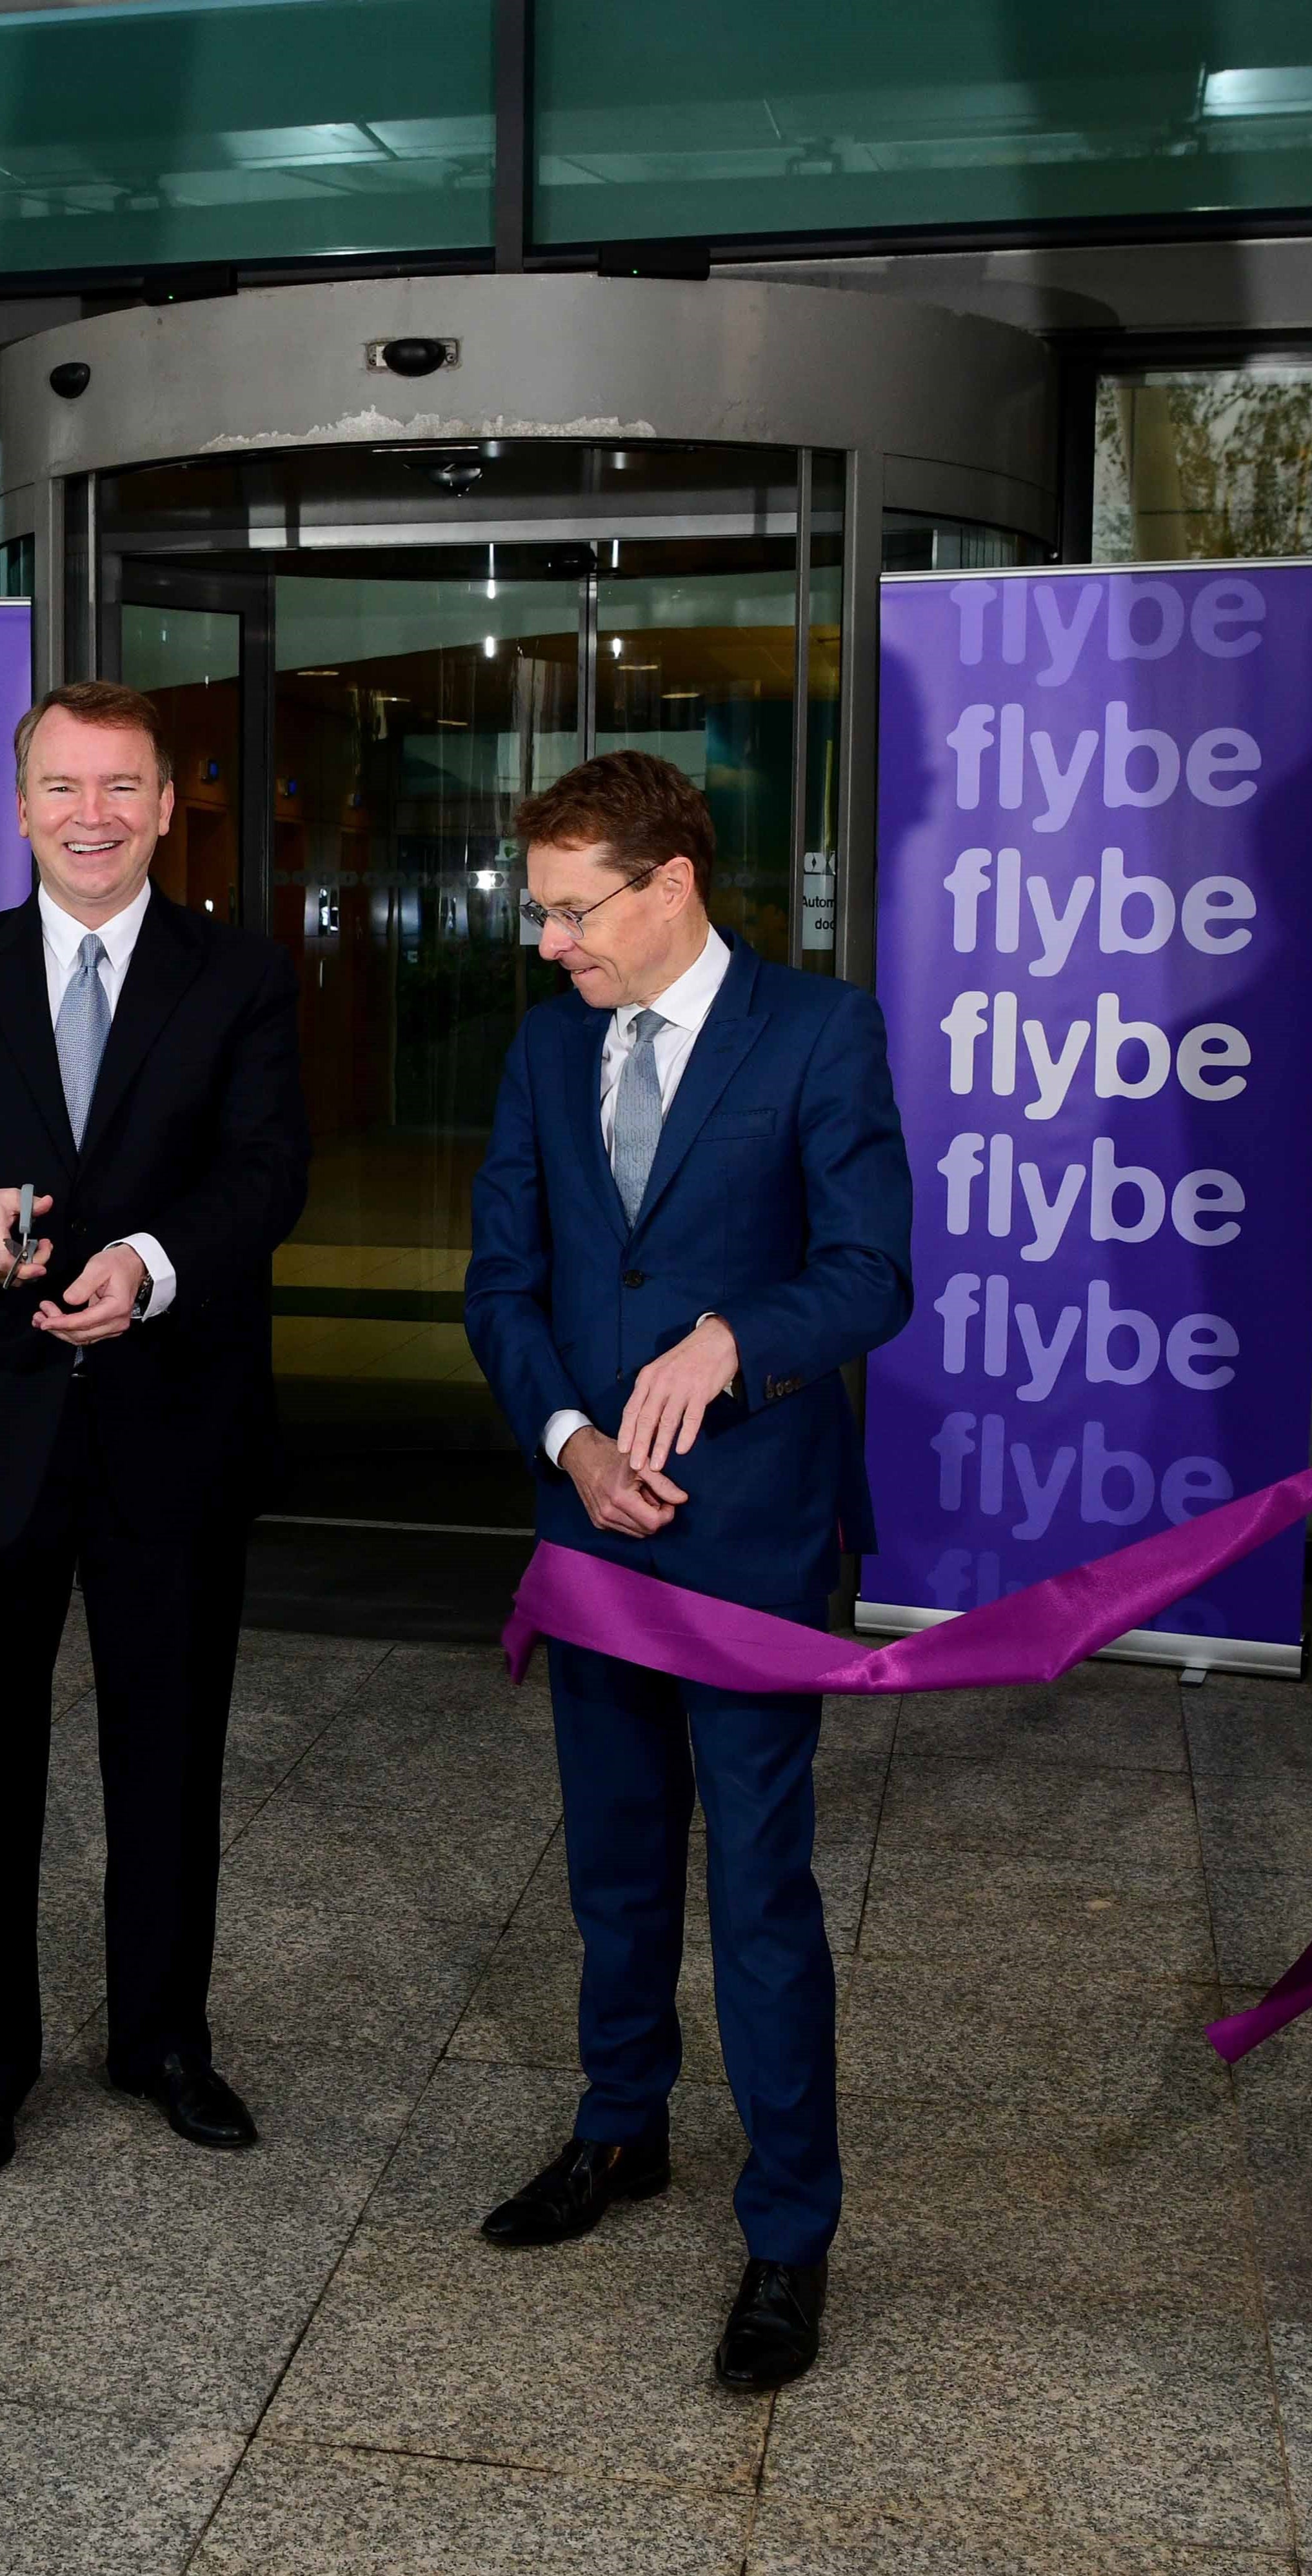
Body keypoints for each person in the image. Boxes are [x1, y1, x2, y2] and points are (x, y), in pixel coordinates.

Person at [461, 749, 911, 2389]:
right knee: (616, 1864)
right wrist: (573, 1438)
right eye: (540, 911)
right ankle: (620, 2129)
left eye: (575, 912)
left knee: (761, 1896)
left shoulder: (818, 1032)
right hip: (594, 1528)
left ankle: (790, 2234)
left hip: (753, 1543)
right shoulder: (540, 1050)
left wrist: (734, 1341)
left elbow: (872, 1275)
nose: (549, 942)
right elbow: (502, 1282)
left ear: (669, 887)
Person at [0, 679, 310, 2179]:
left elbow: (265, 1175)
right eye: (64, 786)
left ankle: (164, 2038)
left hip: (175, 1425)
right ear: (19, 802)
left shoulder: (239, 978)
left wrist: (151, 1266)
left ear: (168, 807)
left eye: (123, 788)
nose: (92, 815)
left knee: (170, 1756)